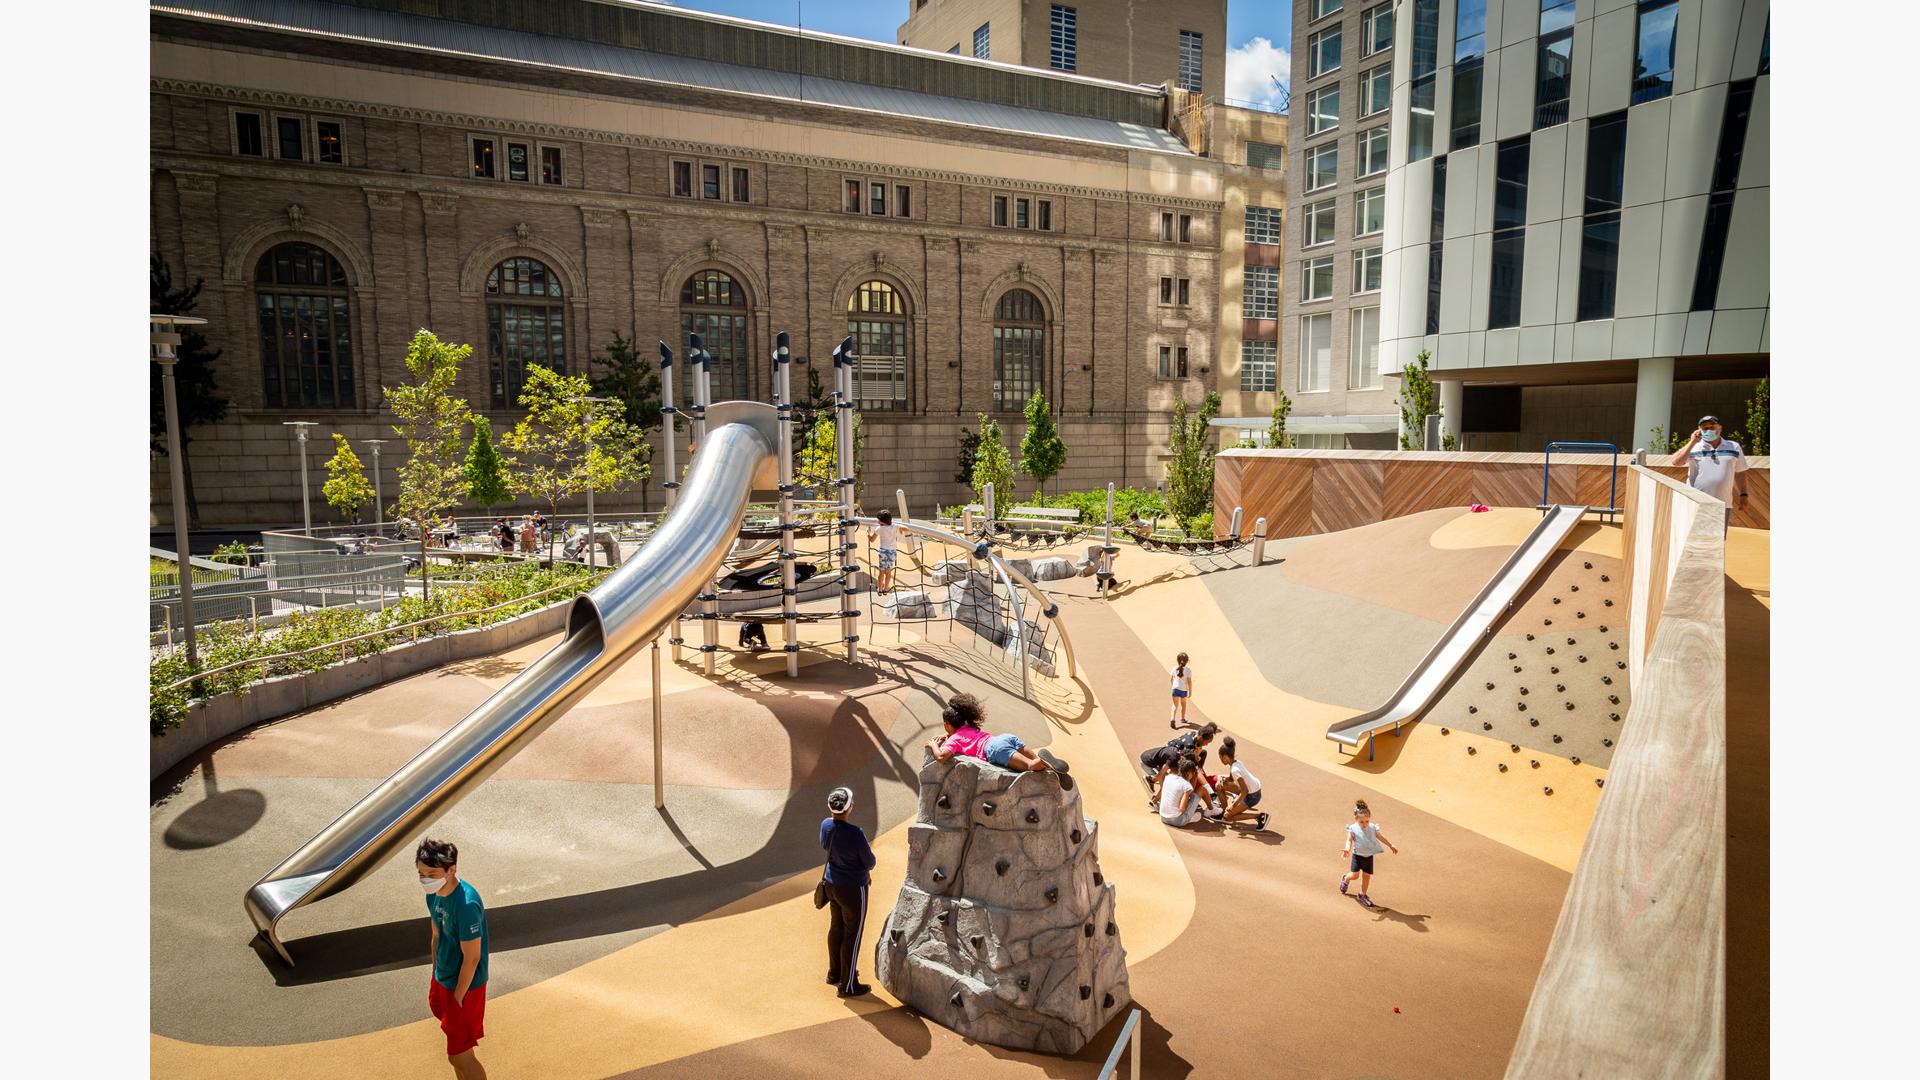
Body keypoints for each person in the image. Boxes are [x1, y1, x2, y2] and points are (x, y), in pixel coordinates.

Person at [417, 838, 490, 1080]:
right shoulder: (434, 894)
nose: (425, 879)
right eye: (421, 873)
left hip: (464, 986)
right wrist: (435, 971)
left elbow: (472, 958)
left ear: (451, 869)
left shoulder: (466, 905)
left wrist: (458, 995)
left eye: (432, 873)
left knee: (460, 1056)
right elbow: (436, 933)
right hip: (443, 978)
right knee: (456, 1054)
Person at [924, 692, 1070, 774]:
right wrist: (948, 735)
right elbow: (962, 736)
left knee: (1030, 767)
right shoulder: (968, 727)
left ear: (946, 725)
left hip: (994, 749)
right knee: (1036, 764)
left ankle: (1043, 762)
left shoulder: (954, 739)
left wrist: (933, 745)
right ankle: (1047, 765)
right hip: (1005, 738)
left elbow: (942, 757)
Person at [820, 786, 876, 998]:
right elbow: (869, 861)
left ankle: (834, 973)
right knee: (853, 934)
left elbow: (826, 846)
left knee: (836, 928)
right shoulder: (856, 834)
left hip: (832, 884)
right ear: (849, 807)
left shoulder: (825, 826)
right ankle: (849, 984)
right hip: (853, 889)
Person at [1672, 414, 1750, 533]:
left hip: (1723, 504)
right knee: (1694, 539)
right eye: (1705, 428)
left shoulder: (1734, 447)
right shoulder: (1694, 447)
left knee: (1717, 542)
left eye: (1712, 427)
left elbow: (1740, 472)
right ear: (1699, 430)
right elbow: (1676, 462)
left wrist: (1744, 495)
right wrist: (1692, 442)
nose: (1708, 430)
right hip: (1696, 502)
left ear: (1720, 428)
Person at [1339, 799, 1399, 909]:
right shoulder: (1353, 828)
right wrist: (1347, 849)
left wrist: (1391, 845)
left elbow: (1380, 837)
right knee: (1355, 876)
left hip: (1369, 857)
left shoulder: (1372, 827)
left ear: (1369, 819)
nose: (1364, 824)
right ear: (1356, 819)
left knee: (1367, 877)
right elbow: (1349, 840)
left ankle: (1362, 895)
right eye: (1361, 822)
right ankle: (1345, 879)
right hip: (1357, 856)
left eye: (1366, 821)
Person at [1139, 722, 1219, 803]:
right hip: (1160, 762)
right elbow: (1181, 764)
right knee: (1169, 780)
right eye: (1207, 742)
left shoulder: (1193, 734)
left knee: (1202, 755)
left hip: (1173, 757)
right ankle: (1155, 796)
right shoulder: (1189, 746)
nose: (1207, 744)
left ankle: (1159, 791)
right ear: (1201, 738)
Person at [1216, 737, 1270, 830]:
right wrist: (1225, 780)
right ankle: (1226, 811)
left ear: (1225, 757)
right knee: (1219, 786)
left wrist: (1233, 805)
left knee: (1228, 816)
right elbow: (1231, 779)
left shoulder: (1234, 770)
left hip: (1252, 796)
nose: (1220, 760)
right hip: (1253, 788)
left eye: (1220, 758)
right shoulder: (1236, 763)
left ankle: (1259, 816)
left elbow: (1244, 791)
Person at [1157, 759, 1208, 829]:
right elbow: (1182, 809)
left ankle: (1192, 816)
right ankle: (1211, 810)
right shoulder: (1186, 785)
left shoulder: (1169, 777)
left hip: (1163, 817)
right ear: (1189, 773)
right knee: (1202, 789)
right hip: (1178, 821)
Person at [869, 509, 901, 593]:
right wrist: (903, 529)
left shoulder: (879, 528)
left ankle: (880, 589)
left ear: (881, 520)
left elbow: (872, 540)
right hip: (892, 552)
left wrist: (867, 534)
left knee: (881, 571)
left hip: (883, 552)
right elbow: (905, 528)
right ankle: (886, 588)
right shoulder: (894, 526)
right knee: (888, 571)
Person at [1169, 652, 1194, 729]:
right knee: (1183, 705)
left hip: (1175, 689)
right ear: (1187, 661)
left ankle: (1172, 719)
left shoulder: (1174, 668)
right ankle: (1183, 718)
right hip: (1183, 690)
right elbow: (1189, 682)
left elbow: (1171, 678)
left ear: (1178, 660)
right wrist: (1190, 692)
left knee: (1174, 705)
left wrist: (1173, 686)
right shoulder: (1188, 670)